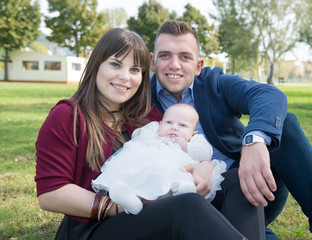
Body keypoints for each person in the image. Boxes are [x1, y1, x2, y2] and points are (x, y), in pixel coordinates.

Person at [34, 27, 264, 240]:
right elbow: (51, 193)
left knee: (237, 180)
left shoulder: (144, 114)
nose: (125, 77)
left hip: (147, 215)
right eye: (115, 65)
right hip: (93, 227)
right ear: (96, 65)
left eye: (135, 70)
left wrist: (206, 168)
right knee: (186, 206)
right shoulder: (68, 115)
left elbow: (180, 151)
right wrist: (116, 207)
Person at [149, 20, 312, 240]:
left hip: (246, 186)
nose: (174, 65)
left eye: (185, 57)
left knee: (286, 124)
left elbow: (268, 96)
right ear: (153, 61)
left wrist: (253, 141)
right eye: (165, 55)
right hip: (186, 201)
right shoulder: (140, 97)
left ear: (198, 65)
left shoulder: (214, 84)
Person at [91, 103, 226, 215]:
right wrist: (154, 138)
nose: (174, 127)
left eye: (182, 125)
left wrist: (186, 146)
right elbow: (136, 134)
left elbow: (206, 152)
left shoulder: (194, 140)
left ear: (193, 132)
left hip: (178, 168)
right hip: (152, 169)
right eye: (169, 122)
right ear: (160, 123)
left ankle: (182, 190)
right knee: (138, 175)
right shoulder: (154, 129)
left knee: (182, 175)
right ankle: (131, 200)